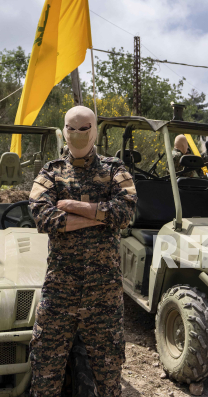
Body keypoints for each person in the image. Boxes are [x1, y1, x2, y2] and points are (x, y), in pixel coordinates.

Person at [28, 106, 137, 397]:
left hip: (104, 292)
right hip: (60, 290)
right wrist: (100, 215)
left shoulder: (115, 169)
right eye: (71, 128)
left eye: (84, 128)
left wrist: (73, 206)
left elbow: (125, 213)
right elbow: (42, 216)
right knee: (45, 369)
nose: (77, 135)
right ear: (64, 130)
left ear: (95, 129)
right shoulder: (51, 172)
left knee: (109, 374)